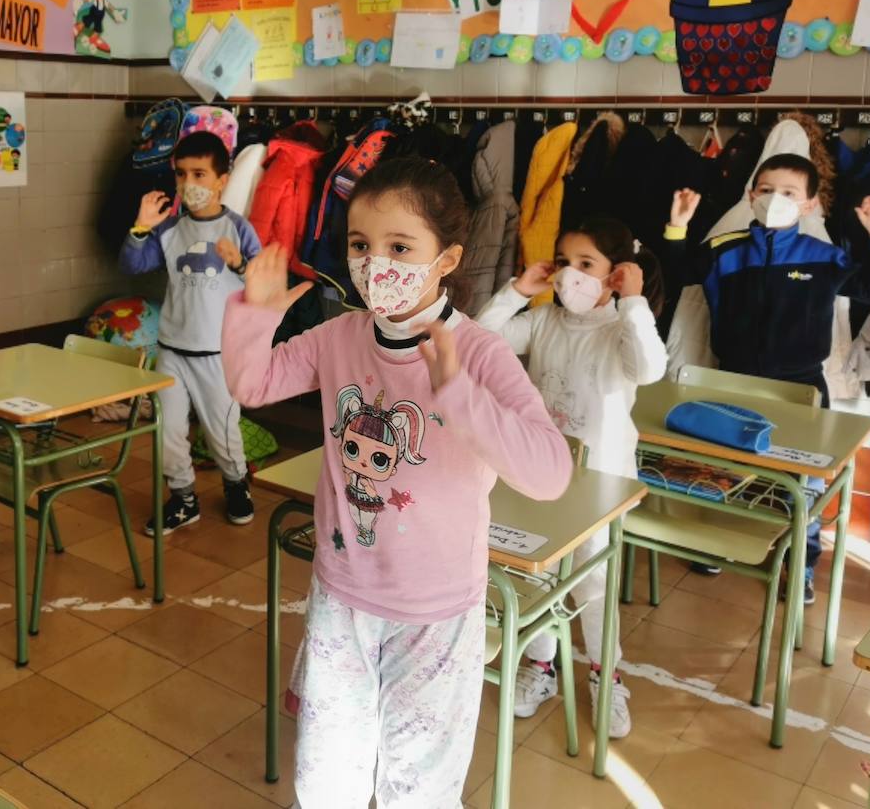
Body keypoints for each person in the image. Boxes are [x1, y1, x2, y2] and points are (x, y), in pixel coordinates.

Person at [223, 156, 572, 807]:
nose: (375, 262)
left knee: (419, 784)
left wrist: (457, 392)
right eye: (361, 245)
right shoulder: (339, 336)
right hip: (343, 594)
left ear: (446, 259)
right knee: (329, 775)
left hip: (436, 610)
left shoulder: (479, 351)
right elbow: (254, 383)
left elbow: (549, 471)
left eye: (400, 246)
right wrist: (254, 312)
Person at [662, 153, 870, 603]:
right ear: (751, 196)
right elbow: (675, 277)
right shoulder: (724, 250)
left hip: (801, 389)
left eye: (789, 193)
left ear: (809, 204)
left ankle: (801, 563)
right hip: (730, 382)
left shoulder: (825, 257)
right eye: (766, 190)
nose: (775, 200)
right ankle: (714, 545)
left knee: (804, 483)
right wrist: (678, 227)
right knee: (721, 470)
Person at [475, 215, 668, 739]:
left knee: (593, 583)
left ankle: (608, 675)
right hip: (540, 473)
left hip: (600, 484)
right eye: (563, 262)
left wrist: (634, 302)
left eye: (586, 264)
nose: (569, 275)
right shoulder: (543, 321)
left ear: (615, 274)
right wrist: (517, 290)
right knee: (540, 573)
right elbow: (480, 337)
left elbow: (650, 368)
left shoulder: (623, 328)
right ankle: (541, 668)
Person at [119, 131, 261, 533]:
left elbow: (265, 285)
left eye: (200, 174)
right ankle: (182, 498)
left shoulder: (239, 229)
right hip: (172, 352)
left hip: (218, 355)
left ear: (222, 179)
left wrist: (239, 266)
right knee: (168, 432)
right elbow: (133, 264)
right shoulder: (169, 229)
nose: (189, 184)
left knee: (223, 433)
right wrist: (141, 228)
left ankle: (236, 484)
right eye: (182, 175)